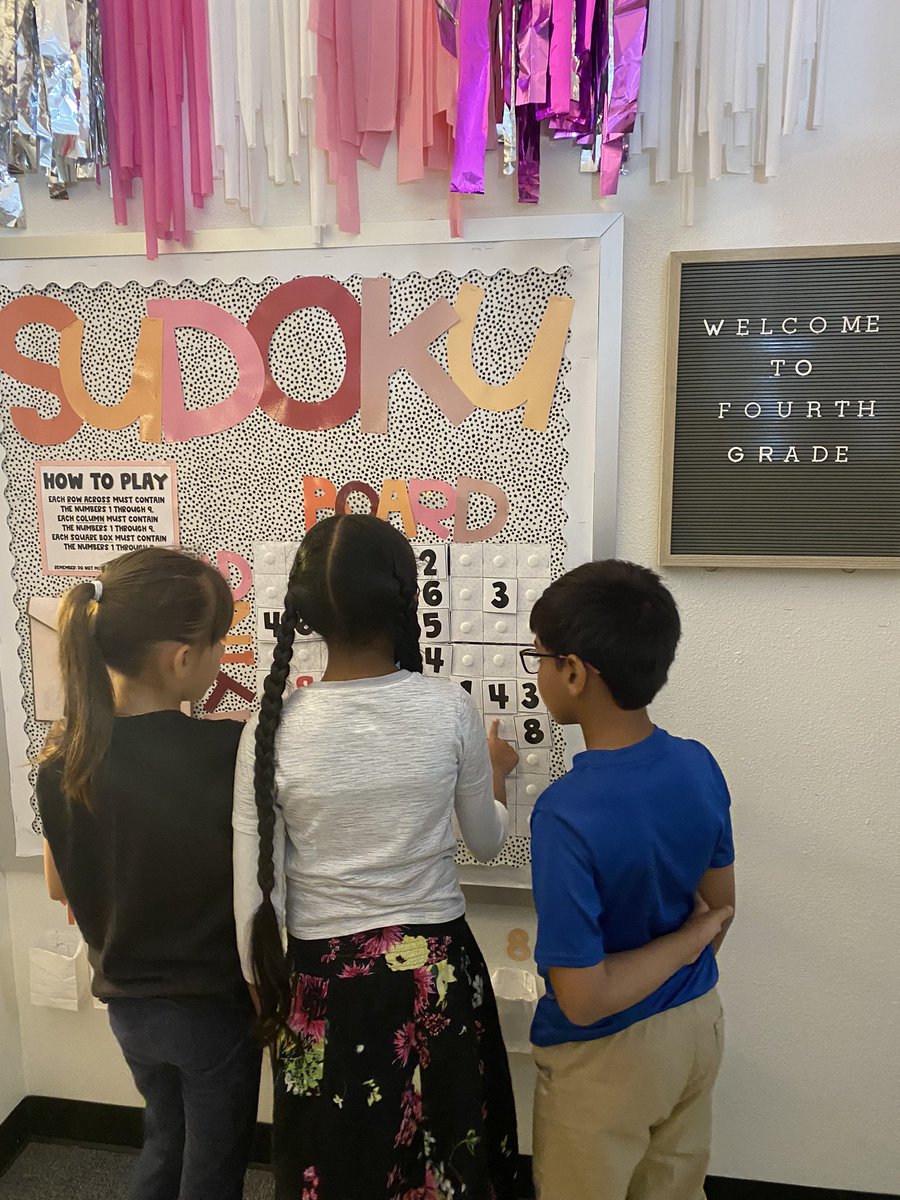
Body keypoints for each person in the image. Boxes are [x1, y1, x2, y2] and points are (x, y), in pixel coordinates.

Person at [233, 513, 520, 1200]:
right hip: (438, 972)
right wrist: (498, 772)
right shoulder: (448, 708)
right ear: (404, 599)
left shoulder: (272, 728)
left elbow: (252, 891)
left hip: (321, 979)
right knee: (446, 1160)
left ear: (304, 614)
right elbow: (485, 840)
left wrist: (263, 989)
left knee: (334, 1167)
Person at [37, 548, 261, 1200]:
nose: (224, 653)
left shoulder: (63, 758)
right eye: (219, 640)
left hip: (128, 1008)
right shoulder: (226, 752)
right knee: (213, 1171)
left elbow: (58, 887)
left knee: (167, 1142)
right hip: (210, 1010)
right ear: (182, 658)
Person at [523, 560, 736, 1200]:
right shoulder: (698, 764)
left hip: (604, 1059)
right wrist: (691, 938)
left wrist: (687, 938)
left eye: (539, 657)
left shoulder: (565, 813)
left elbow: (585, 999)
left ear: (575, 671)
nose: (536, 675)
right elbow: (719, 914)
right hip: (697, 1023)